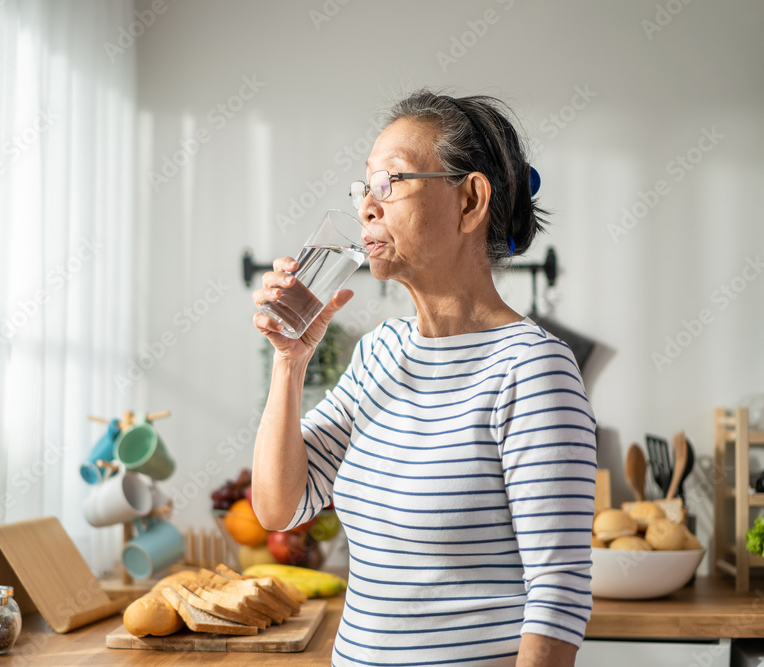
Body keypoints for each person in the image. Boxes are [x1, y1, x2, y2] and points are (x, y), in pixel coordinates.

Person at [251, 89, 597, 666]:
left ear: (470, 200)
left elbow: (558, 597)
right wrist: (289, 362)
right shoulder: (379, 354)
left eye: (391, 182)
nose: (367, 206)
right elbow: (280, 507)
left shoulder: (533, 371)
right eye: (365, 187)